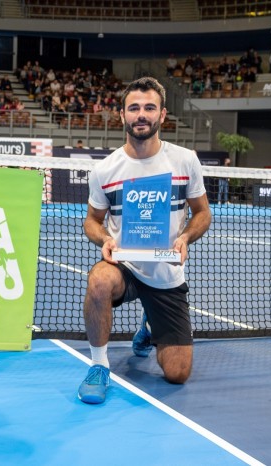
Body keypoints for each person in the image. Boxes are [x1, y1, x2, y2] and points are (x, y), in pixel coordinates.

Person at [77, 77, 212, 404]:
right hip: (124, 266)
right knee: (98, 281)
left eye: (149, 107)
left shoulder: (184, 161)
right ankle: (98, 366)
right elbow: (92, 221)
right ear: (122, 114)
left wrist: (185, 237)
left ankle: (149, 326)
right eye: (134, 108)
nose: (141, 114)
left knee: (177, 373)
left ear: (162, 115)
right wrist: (105, 240)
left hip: (166, 273)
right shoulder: (105, 170)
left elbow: (203, 213)